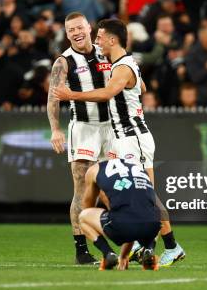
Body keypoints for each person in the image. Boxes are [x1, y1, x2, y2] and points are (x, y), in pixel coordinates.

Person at [55, 18, 186, 266]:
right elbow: (142, 87)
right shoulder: (124, 64)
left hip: (131, 137)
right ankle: (150, 246)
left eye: (100, 36)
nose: (97, 41)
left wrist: (71, 95)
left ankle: (168, 245)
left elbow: (107, 93)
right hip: (128, 136)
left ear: (113, 40)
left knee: (146, 194)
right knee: (140, 192)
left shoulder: (122, 66)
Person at [46, 12, 112, 265]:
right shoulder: (63, 62)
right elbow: (53, 98)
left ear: (89, 27)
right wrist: (55, 129)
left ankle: (131, 241)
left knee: (114, 187)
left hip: (111, 128)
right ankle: (81, 250)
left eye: (79, 27)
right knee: (82, 189)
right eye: (70, 30)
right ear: (67, 33)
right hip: (83, 129)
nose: (76, 32)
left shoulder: (105, 52)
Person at [78, 158, 161, 270]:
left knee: (83, 216)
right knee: (151, 213)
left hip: (123, 225)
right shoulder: (138, 168)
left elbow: (87, 208)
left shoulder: (94, 169)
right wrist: (124, 255)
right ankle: (149, 249)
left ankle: (108, 254)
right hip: (152, 226)